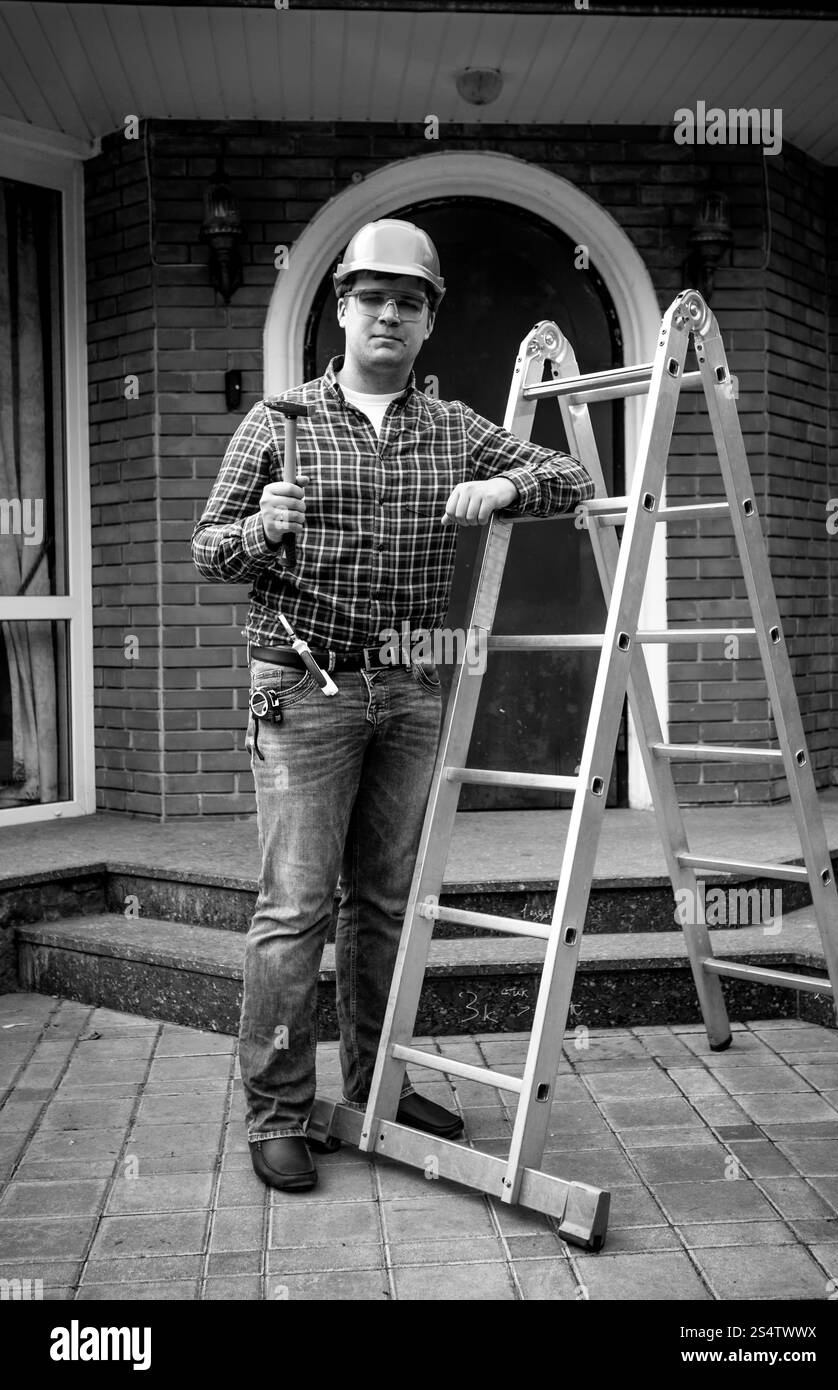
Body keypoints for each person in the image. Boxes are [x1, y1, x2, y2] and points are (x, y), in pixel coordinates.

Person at [191, 219, 594, 1192]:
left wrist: (500, 484)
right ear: (340, 308)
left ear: (425, 321)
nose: (388, 314)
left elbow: (572, 474)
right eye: (371, 297)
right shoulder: (279, 421)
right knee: (293, 910)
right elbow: (207, 549)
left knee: (382, 904)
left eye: (407, 302)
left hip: (410, 688)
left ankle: (372, 1089)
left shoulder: (450, 426)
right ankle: (279, 1112)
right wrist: (256, 526)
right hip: (302, 691)